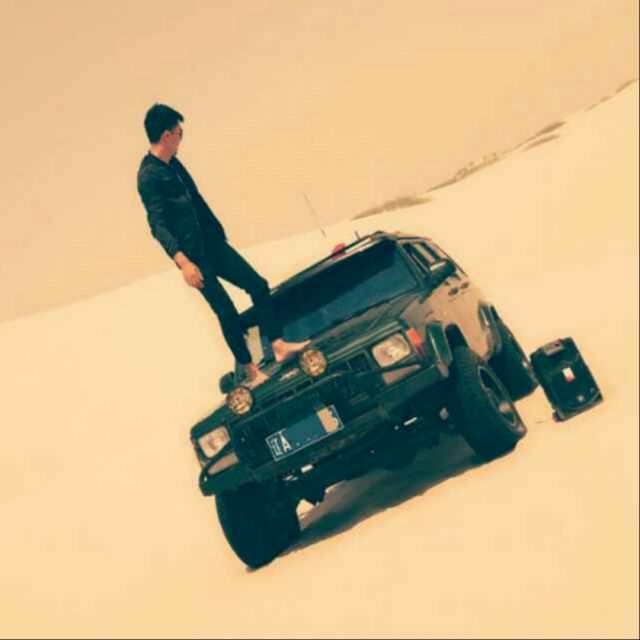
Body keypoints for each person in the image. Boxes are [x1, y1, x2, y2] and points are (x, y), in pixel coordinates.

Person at [137, 103, 310, 387]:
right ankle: (250, 370)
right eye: (179, 133)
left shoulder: (174, 164)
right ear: (167, 135)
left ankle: (278, 345)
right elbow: (157, 224)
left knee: (257, 284)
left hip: (212, 243)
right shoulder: (148, 176)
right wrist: (183, 263)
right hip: (193, 256)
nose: (181, 139)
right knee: (226, 311)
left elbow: (195, 202)